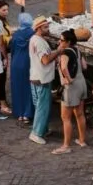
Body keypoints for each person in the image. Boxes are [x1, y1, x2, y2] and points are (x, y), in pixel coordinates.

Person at [53, 28, 88, 154]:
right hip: (81, 83)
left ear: (67, 42)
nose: (59, 42)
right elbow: (84, 66)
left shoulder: (65, 53)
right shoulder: (78, 50)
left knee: (65, 117)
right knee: (80, 114)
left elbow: (63, 67)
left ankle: (66, 145)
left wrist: (68, 79)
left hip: (71, 86)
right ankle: (82, 140)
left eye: (61, 40)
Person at [29, 15, 60, 145]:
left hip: (36, 76)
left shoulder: (35, 39)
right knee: (43, 107)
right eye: (45, 27)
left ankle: (44, 129)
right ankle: (36, 133)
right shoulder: (39, 42)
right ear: (39, 28)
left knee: (39, 106)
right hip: (42, 78)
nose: (48, 29)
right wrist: (58, 51)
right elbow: (45, 60)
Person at [8, 12, 34, 125]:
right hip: (29, 63)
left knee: (17, 88)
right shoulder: (33, 34)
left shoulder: (15, 35)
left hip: (16, 64)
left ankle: (19, 113)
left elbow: (11, 49)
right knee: (28, 88)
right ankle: (28, 114)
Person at [0, 0, 13, 114]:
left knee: (1, 79)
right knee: (1, 79)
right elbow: (1, 42)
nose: (6, 12)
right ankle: (2, 103)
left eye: (7, 10)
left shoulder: (3, 21)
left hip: (2, 51)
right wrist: (5, 57)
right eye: (3, 10)